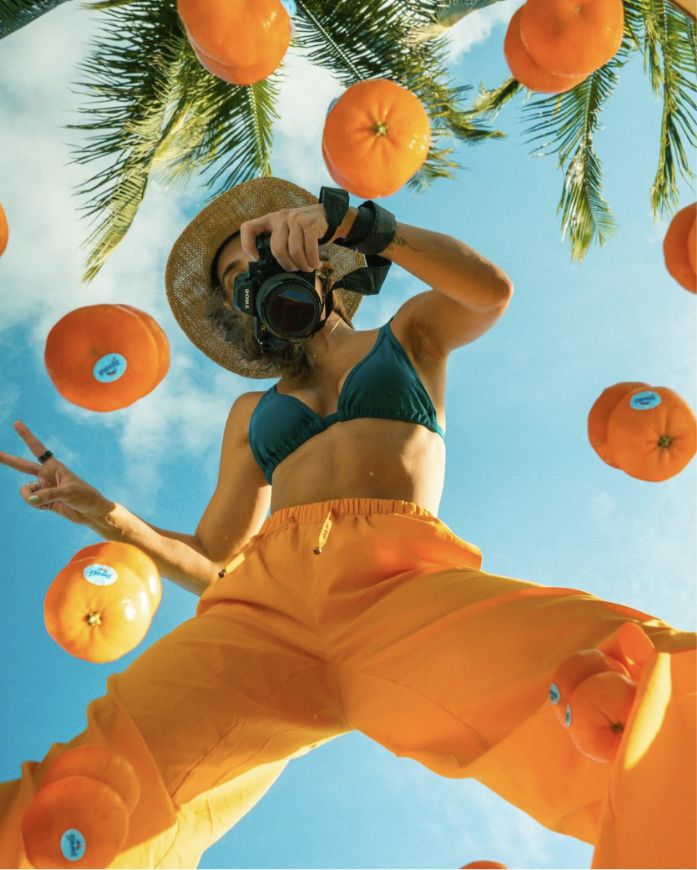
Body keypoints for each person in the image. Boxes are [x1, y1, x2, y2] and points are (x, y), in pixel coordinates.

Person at [0, 177, 694, 869]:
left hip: (396, 587)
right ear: (240, 313)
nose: (255, 280)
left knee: (599, 680)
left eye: (262, 256)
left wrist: (362, 225)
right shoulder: (251, 414)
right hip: (258, 612)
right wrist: (107, 514)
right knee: (97, 791)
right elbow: (214, 555)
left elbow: (486, 294)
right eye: (238, 281)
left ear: (315, 259)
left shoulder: (407, 335)